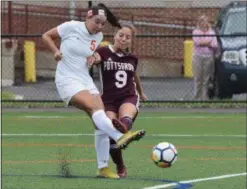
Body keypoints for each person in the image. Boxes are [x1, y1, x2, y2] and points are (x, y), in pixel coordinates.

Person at [42, 4, 145, 179]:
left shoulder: (98, 36)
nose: (99, 26)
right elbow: (46, 36)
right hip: (67, 79)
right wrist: (56, 51)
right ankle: (121, 136)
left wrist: (92, 59)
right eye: (97, 22)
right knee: (94, 108)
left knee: (99, 121)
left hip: (85, 79)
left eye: (102, 23)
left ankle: (103, 168)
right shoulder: (71, 26)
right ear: (88, 17)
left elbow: (93, 54)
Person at [87, 24, 148, 177]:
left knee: (126, 116)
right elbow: (97, 58)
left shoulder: (132, 58)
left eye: (128, 37)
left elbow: (134, 76)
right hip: (108, 100)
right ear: (114, 35)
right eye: (121, 35)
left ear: (131, 41)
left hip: (128, 95)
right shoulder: (104, 51)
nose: (123, 39)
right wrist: (92, 59)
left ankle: (123, 126)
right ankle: (120, 166)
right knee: (110, 134)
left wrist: (142, 92)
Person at [192, 15, 218, 100]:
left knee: (206, 79)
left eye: (205, 21)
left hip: (208, 57)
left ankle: (205, 98)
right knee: (198, 78)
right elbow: (198, 42)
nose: (204, 23)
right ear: (199, 23)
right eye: (202, 21)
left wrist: (205, 42)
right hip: (198, 57)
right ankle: (197, 98)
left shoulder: (211, 32)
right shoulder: (196, 32)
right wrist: (208, 42)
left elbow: (214, 45)